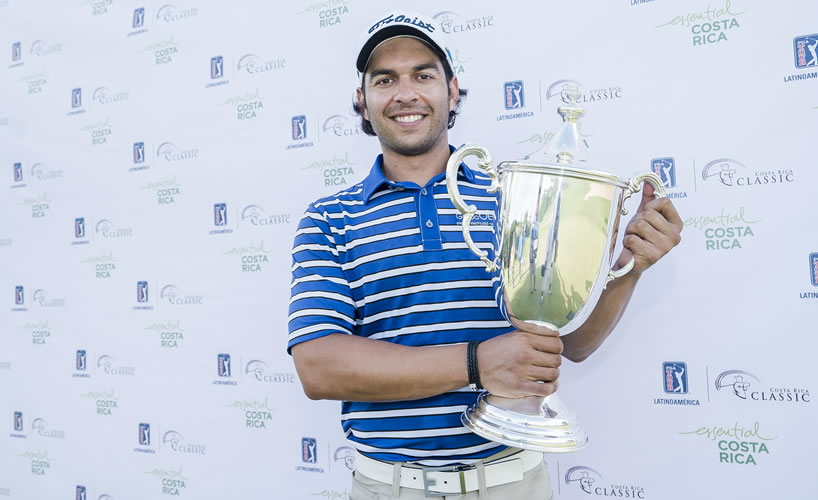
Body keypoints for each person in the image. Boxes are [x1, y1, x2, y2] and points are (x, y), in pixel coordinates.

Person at [287, 11, 682, 499]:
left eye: (423, 75)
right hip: (389, 487)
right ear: (362, 102)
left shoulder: (514, 198)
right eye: (384, 79)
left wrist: (629, 265)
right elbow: (319, 367)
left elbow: (570, 343)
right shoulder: (330, 218)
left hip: (512, 483)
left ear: (452, 92)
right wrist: (476, 363)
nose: (405, 93)